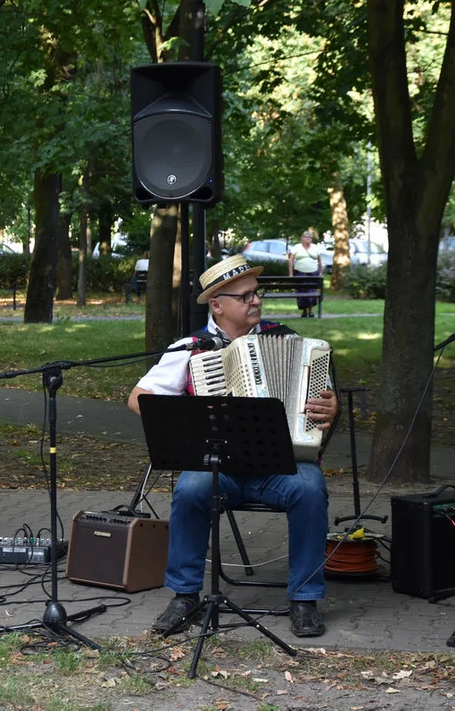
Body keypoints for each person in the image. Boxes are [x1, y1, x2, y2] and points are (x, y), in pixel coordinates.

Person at [127, 254, 339, 637]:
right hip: (218, 467)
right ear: (217, 304)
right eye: (244, 297)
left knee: (310, 487)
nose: (255, 301)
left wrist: (329, 406)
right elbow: (139, 398)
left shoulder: (287, 339)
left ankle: (305, 599)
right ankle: (185, 595)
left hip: (281, 465)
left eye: (257, 294)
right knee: (190, 489)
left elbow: (321, 401)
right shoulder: (191, 349)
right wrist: (189, 419)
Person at [287, 231, 322, 318]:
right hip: (300, 272)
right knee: (301, 291)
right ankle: (304, 311)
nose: (308, 238)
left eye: (309, 237)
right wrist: (291, 273)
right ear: (302, 238)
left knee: (312, 292)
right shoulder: (296, 247)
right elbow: (291, 260)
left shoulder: (315, 247)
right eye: (306, 237)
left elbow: (320, 261)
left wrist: (320, 272)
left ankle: (311, 311)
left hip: (313, 273)